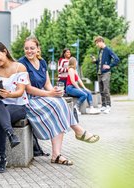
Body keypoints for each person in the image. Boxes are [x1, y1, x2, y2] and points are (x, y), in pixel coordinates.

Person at [18, 36, 99, 166]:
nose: (29, 51)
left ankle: (57, 154)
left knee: (60, 101)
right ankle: (78, 131)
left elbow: (47, 83)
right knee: (57, 106)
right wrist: (49, 93)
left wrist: (55, 91)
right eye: (26, 48)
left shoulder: (42, 62)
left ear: (38, 49)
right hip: (29, 100)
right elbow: (27, 88)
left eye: (32, 48)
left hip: (42, 97)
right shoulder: (21, 64)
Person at [0, 41, 29, 173]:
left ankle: (1, 157)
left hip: (18, 106)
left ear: (5, 51)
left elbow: (20, 92)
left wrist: (8, 94)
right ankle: (11, 134)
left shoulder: (20, 68)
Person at [92, 36, 120, 114]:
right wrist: (95, 61)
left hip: (106, 73)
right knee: (101, 90)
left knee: (106, 90)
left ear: (101, 41)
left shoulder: (108, 50)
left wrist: (110, 66)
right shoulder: (100, 51)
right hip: (99, 73)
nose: (96, 45)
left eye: (97, 43)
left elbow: (117, 59)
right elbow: (100, 62)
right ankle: (103, 105)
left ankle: (108, 106)